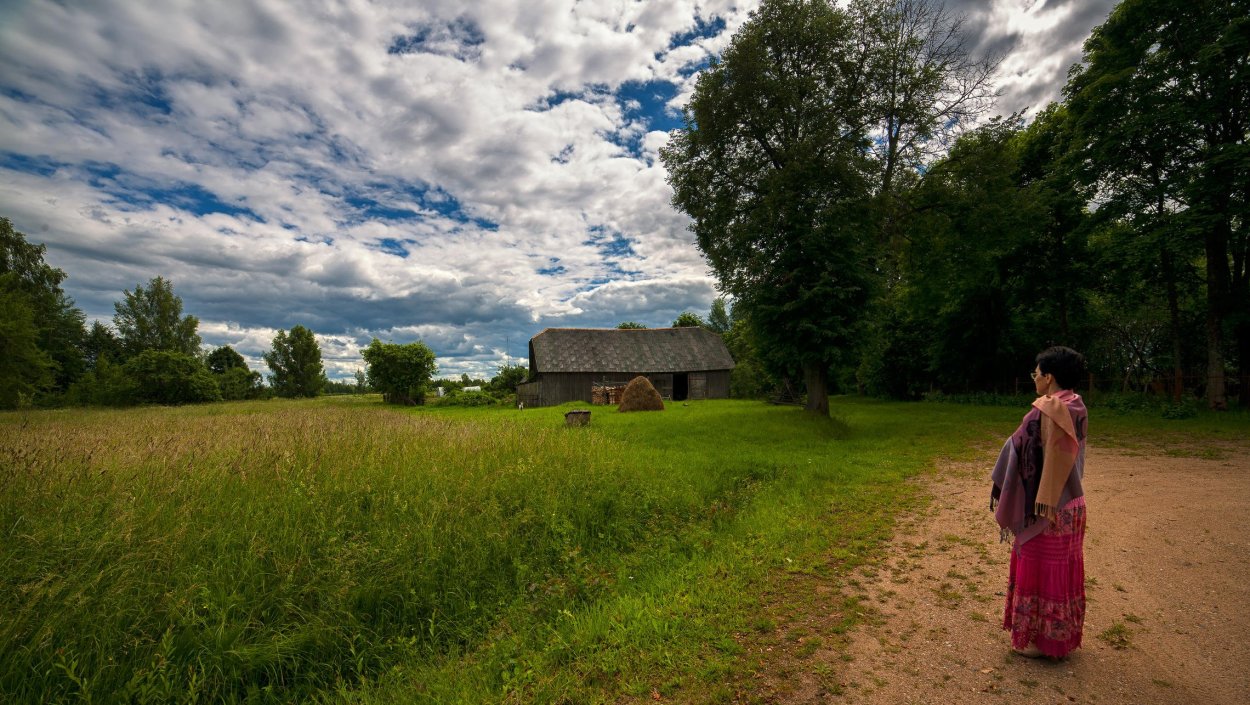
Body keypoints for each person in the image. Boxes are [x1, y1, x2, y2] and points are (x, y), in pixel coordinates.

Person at [990, 346, 1089, 659]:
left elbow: (1019, 447)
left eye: (1036, 373)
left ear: (1049, 377)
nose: (1034, 378)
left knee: (1039, 568)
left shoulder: (1046, 409)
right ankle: (1058, 638)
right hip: (1072, 505)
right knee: (1059, 573)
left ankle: (1039, 640)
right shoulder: (1077, 406)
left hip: (1046, 510)